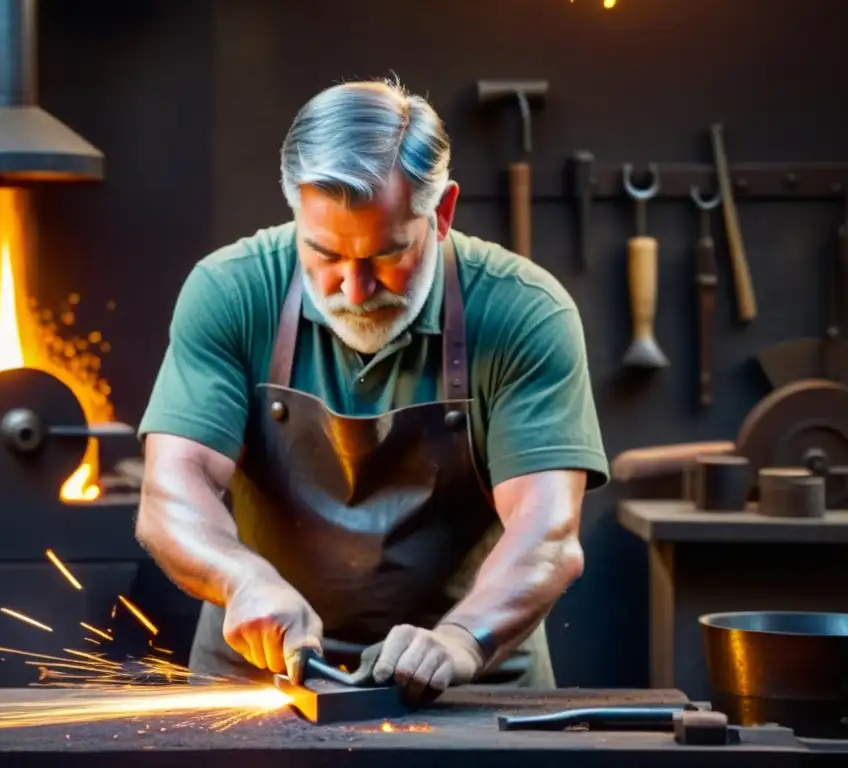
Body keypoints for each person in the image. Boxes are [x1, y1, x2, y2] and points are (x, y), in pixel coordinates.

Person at [135, 78, 608, 699]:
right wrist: (242, 580)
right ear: (295, 212)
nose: (354, 291)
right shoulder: (231, 291)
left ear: (442, 213)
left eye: (386, 256)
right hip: (259, 683)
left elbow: (546, 532)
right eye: (325, 254)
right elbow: (171, 492)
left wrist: (463, 639)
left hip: (470, 683)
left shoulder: (525, 311)